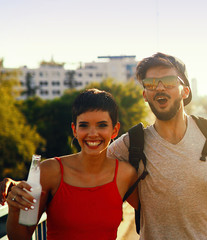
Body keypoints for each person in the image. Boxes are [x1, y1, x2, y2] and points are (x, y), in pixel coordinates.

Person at [106, 52, 207, 239]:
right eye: (150, 83)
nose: (159, 88)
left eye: (169, 81)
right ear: (145, 95)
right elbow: (90, 166)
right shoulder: (131, 143)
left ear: (185, 90)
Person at [5, 89, 138, 240]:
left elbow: (155, 212)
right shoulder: (49, 171)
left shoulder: (126, 174)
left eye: (102, 125)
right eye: (84, 125)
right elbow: (20, 236)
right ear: (74, 130)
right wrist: (15, 209)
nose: (93, 133)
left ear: (114, 130)